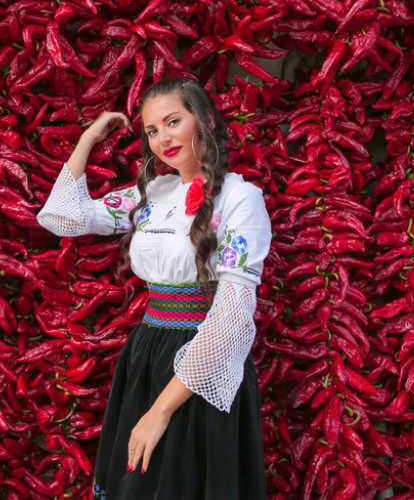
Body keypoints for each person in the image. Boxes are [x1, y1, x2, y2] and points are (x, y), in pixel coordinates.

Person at [36, 77, 271, 499]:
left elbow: (231, 319)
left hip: (206, 363)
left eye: (172, 121)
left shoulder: (241, 197)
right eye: (151, 130)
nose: (163, 138)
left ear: (206, 120)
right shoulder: (154, 193)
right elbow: (62, 218)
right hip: (146, 355)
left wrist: (159, 412)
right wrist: (89, 138)